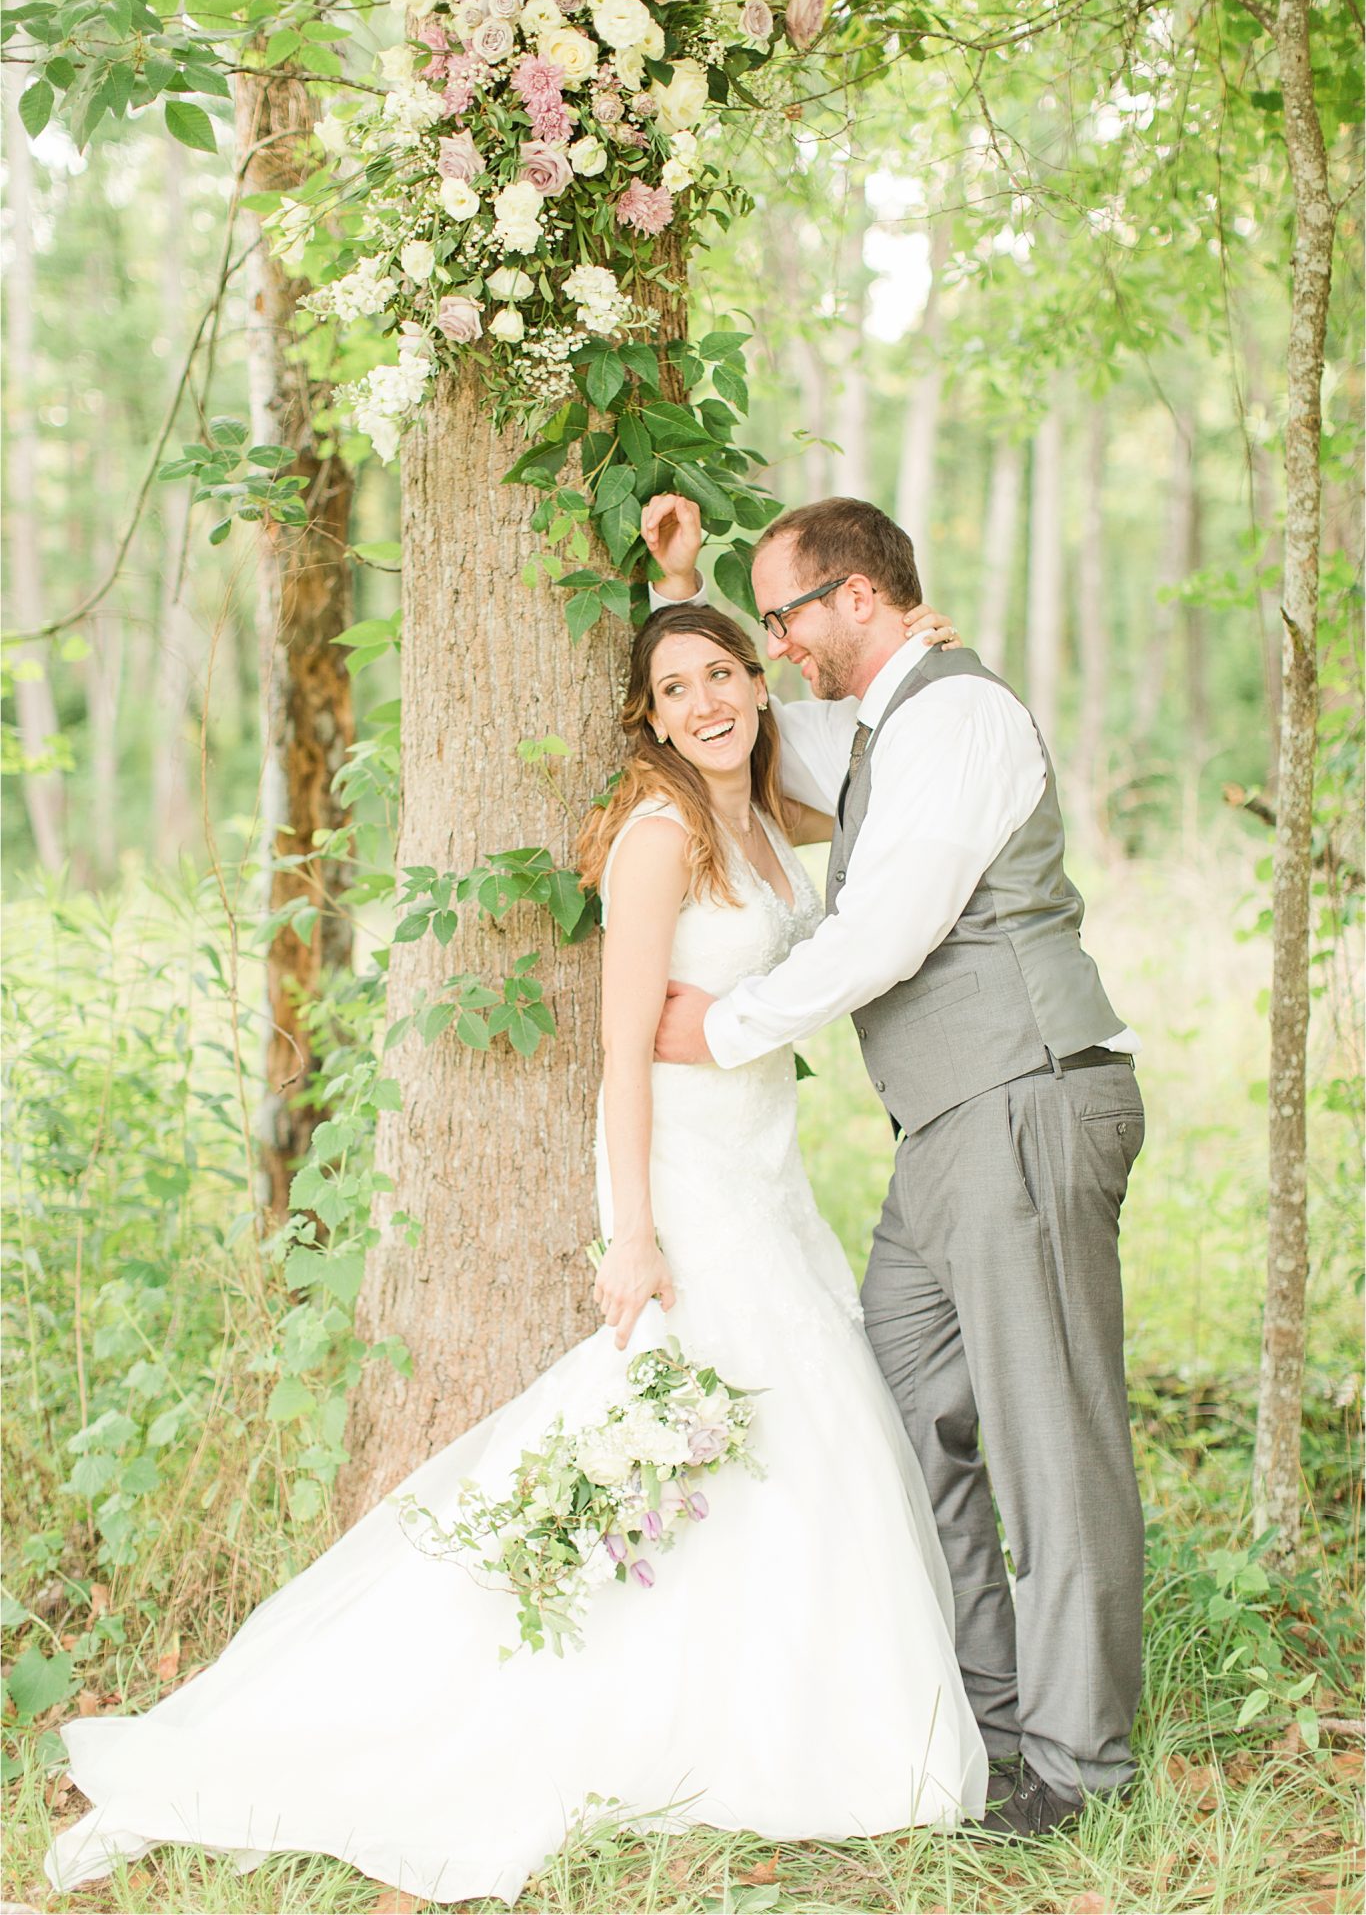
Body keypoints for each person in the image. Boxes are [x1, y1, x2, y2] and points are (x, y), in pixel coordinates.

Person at [44, 601, 987, 1909]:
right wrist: (635, 1235)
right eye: (676, 690)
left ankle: (774, 1710)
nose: (708, 702)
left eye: (725, 675)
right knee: (711, 1417)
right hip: (688, 1184)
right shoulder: (658, 841)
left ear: (757, 685)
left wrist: (918, 661)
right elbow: (616, 1052)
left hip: (767, 1175)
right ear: (644, 720)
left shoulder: (767, 812)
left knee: (780, 1430)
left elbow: (879, 757)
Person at [646, 491, 1146, 1841]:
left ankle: (1079, 1765)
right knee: (904, 1416)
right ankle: (988, 1719)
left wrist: (723, 1029)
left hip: (1023, 1099)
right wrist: (676, 592)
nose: (774, 645)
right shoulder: (872, 730)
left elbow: (887, 929)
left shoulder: (958, 723)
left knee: (1052, 1442)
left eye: (786, 614)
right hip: (947, 1130)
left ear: (858, 596)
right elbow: (731, 729)